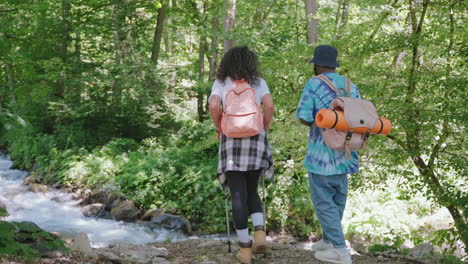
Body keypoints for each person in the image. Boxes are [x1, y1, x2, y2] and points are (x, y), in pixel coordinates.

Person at [208, 46, 274, 264]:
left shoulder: (222, 82)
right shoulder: (258, 82)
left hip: (231, 140)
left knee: (238, 194)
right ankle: (260, 233)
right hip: (256, 138)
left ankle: (245, 250)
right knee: (253, 190)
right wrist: (264, 126)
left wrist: (220, 126)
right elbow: (269, 105)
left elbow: (213, 104)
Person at [296, 45, 359, 264]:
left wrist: (317, 120)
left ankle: (341, 252)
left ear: (317, 64)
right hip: (347, 153)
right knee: (336, 199)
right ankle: (329, 241)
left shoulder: (314, 83)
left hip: (321, 156)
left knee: (323, 202)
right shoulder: (351, 85)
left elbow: (304, 116)